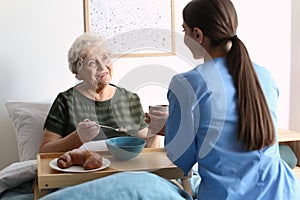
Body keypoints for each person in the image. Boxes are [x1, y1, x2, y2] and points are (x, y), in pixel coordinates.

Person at [151, 0, 300, 199]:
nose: (184, 38)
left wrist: (169, 126)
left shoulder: (187, 84)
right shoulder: (264, 76)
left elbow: (181, 160)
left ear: (198, 34)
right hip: (284, 192)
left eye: (183, 30)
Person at [39, 32, 160, 153]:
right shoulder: (65, 101)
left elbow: (148, 150)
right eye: (92, 62)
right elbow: (44, 151)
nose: (102, 67)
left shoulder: (130, 100)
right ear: (78, 73)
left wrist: (156, 130)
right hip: (84, 170)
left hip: (126, 170)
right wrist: (77, 138)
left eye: (104, 58)